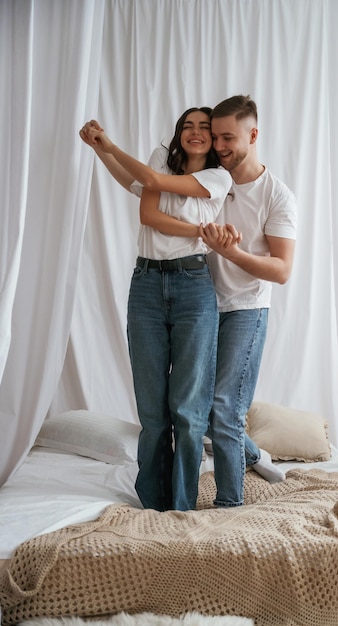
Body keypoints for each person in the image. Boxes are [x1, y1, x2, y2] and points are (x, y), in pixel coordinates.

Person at [80, 107, 233, 512]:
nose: (195, 133)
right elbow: (146, 207)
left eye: (205, 127)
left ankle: (181, 506)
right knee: (152, 410)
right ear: (179, 131)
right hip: (146, 284)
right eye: (189, 125)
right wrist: (101, 150)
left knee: (187, 408)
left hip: (193, 287)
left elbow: (150, 187)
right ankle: (152, 504)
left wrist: (111, 144)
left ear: (214, 137)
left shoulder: (218, 177)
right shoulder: (158, 159)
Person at [200, 95, 297, 507]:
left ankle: (229, 506)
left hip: (246, 309)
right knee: (196, 407)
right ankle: (253, 455)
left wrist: (232, 253)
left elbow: (281, 270)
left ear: (253, 134)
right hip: (201, 306)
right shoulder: (209, 180)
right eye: (214, 137)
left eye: (227, 137)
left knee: (225, 407)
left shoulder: (278, 196)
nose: (218, 146)